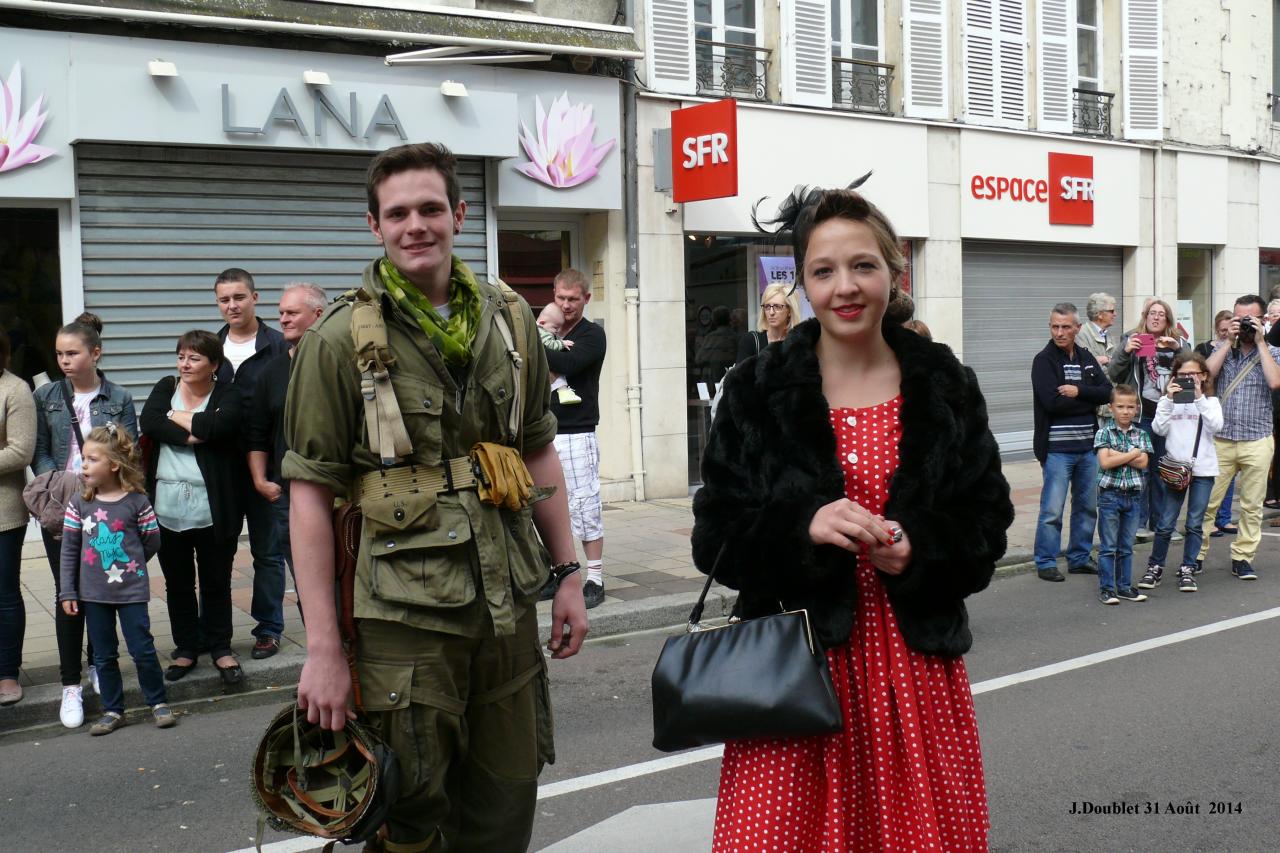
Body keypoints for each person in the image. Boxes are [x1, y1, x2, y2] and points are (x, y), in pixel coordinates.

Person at [283, 142, 588, 852]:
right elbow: (309, 498)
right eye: (397, 213)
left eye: (429, 208)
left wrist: (570, 573)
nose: (415, 225)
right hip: (400, 620)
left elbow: (538, 447)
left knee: (507, 798)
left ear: (458, 213)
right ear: (374, 225)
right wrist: (323, 647)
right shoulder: (335, 343)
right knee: (410, 811)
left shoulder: (511, 321)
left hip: (506, 604)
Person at [692, 184, 1013, 850]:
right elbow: (716, 533)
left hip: (915, 675)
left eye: (863, 265)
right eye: (824, 269)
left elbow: (986, 522)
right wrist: (801, 525)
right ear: (803, 282)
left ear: (894, 272)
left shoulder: (944, 381)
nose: (846, 286)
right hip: (790, 675)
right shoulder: (756, 388)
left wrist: (918, 548)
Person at [31, 312, 137, 728]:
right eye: (59, 354)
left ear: (95, 352)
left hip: (105, 507)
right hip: (62, 509)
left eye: (72, 353)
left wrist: (101, 489)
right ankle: (69, 683)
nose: (64, 361)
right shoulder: (48, 397)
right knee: (67, 593)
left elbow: (128, 453)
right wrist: (58, 484)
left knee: (101, 591)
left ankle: (99, 665)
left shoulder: (120, 398)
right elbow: (40, 450)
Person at [140, 330, 245, 685]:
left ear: (214, 365)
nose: (185, 364)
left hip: (215, 507)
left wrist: (180, 419)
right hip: (167, 506)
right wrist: (194, 430)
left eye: (194, 358)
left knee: (217, 581)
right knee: (178, 583)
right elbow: (150, 422)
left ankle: (221, 648)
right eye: (182, 356)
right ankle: (186, 648)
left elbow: (221, 425)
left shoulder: (228, 393)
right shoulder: (165, 386)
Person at [58, 423, 174, 735]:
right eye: (83, 458)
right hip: (93, 594)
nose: (84, 464)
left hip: (131, 591)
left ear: (114, 465)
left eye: (92, 459)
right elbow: (69, 550)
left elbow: (152, 540)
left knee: (142, 649)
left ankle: (158, 702)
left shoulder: (137, 502)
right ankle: (113, 709)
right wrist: (68, 591)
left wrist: (133, 565)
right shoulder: (78, 504)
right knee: (104, 655)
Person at [213, 268, 290, 660]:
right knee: (218, 556)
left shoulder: (278, 346)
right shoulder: (210, 349)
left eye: (239, 297)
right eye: (224, 299)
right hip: (222, 470)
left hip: (268, 468)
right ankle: (218, 634)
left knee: (268, 552)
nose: (232, 305)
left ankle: (269, 628)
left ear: (255, 298)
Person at [246, 283, 327, 625]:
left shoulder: (339, 364)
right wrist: (261, 480)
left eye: (292, 313)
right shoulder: (273, 372)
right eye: (280, 312)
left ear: (318, 315)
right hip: (288, 494)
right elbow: (257, 433)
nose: (283, 320)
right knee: (306, 576)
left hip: (335, 490)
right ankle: (320, 648)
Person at [1197, 295, 1280, 580]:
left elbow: (1275, 381)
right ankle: (1195, 555)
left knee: (1251, 506)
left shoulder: (1273, 351)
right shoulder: (1222, 350)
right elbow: (1205, 374)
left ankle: (1242, 557)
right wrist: (1225, 342)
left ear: (1262, 320)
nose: (1243, 325)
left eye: (1249, 319)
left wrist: (1259, 341)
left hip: (1257, 439)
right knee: (1207, 502)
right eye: (1238, 318)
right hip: (1221, 439)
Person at [1031, 303, 1112, 582]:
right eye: (1055, 326)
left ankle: (1078, 557)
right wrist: (1087, 400)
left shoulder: (1086, 357)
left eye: (1066, 327)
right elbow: (1051, 403)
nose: (1059, 332)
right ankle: (1045, 561)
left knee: (1087, 507)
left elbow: (1107, 393)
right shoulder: (1044, 361)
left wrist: (1077, 391)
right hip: (1057, 450)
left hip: (1088, 448)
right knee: (1052, 510)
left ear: (1077, 328)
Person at [545, 267, 609, 608]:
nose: (566, 305)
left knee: (585, 505)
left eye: (572, 299)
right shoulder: (548, 328)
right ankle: (560, 574)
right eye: (560, 298)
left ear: (585, 298)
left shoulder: (592, 334)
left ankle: (595, 578)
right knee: (546, 507)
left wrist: (542, 349)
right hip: (544, 431)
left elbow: (567, 363)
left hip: (578, 431)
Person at [1108, 298, 1189, 540]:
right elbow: (1114, 374)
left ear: (1168, 320)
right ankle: (1139, 523)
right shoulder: (1131, 338)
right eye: (1152, 313)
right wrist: (1126, 351)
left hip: (1168, 416)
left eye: (1161, 314)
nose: (1155, 318)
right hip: (1142, 416)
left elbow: (1192, 372)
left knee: (1163, 471)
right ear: (1145, 316)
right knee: (1140, 469)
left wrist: (1178, 349)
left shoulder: (1178, 342)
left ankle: (1163, 525)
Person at [1141, 351, 1223, 592]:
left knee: (1195, 523)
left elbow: (1216, 427)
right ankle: (1155, 567)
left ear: (1204, 376)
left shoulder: (1211, 402)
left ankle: (1188, 568)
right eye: (1183, 374)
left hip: (1203, 470)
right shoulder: (1170, 402)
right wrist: (1167, 399)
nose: (1188, 378)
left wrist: (1199, 398)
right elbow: (1159, 428)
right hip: (1175, 469)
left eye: (1193, 374)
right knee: (1165, 523)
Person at [0, 330, 36, 707]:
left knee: (4, 594)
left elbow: (21, 451)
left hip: (3, 511)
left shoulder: (15, 389)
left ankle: (7, 672)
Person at [1092, 385, 1152, 605]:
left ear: (1137, 408)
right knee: (1108, 546)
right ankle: (1107, 589)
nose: (1125, 411)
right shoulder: (1103, 432)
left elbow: (1144, 462)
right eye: (1120, 407)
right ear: (1111, 408)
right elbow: (1105, 462)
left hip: (1134, 497)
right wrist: (1132, 453)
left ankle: (1125, 586)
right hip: (1110, 496)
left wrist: (1120, 454)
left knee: (1126, 546)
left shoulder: (1141, 433)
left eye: (1130, 407)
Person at [1198, 311, 1238, 535]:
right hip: (1210, 412)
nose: (1226, 334)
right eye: (1222, 330)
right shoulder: (1206, 350)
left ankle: (1224, 517)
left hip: (1230, 416)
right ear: (1216, 329)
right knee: (1213, 470)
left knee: (1230, 472)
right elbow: (1204, 376)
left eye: (1229, 330)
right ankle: (1208, 519)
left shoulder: (1239, 350)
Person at [735, 282, 802, 365]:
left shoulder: (798, 344)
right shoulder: (750, 341)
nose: (771, 312)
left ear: (790, 311)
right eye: (767, 307)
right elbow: (739, 377)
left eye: (777, 307)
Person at [535, 302, 582, 405]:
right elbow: (549, 344)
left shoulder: (539, 329)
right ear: (542, 323)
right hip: (542, 366)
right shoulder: (541, 332)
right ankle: (564, 392)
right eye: (555, 328)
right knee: (559, 377)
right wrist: (561, 343)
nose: (556, 331)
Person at [695, 305, 737, 384]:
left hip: (715, 382)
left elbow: (698, 359)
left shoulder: (710, 338)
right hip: (733, 381)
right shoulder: (736, 337)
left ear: (714, 320)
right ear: (729, 319)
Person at [1076, 292, 1118, 368]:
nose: (1115, 314)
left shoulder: (1109, 335)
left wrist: (1106, 360)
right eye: (1111, 311)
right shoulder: (1081, 334)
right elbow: (1090, 364)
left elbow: (1118, 364)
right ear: (1099, 314)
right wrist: (1110, 361)